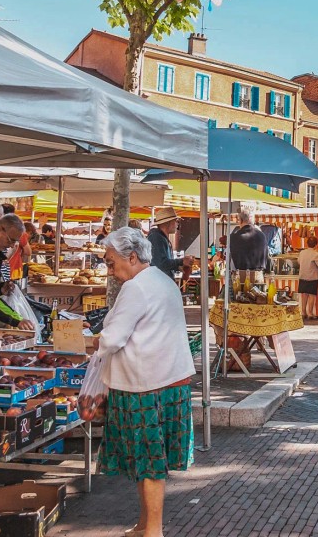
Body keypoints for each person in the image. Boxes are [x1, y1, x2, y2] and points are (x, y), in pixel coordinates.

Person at [98, 227, 194, 537]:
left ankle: (152, 530)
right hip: (170, 380)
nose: (110, 271)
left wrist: (88, 344)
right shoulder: (163, 280)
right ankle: (144, 525)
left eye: (112, 263)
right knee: (149, 460)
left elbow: (111, 339)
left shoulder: (136, 288)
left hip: (145, 385)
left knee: (149, 462)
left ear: (133, 257)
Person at [146, 206, 194, 280]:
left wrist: (178, 267)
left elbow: (162, 263)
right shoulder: (156, 237)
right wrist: (181, 261)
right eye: (176, 221)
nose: (177, 224)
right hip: (158, 284)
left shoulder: (160, 237)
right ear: (169, 222)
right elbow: (160, 264)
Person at [229, 207, 269, 271]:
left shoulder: (234, 237)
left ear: (241, 220)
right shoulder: (262, 235)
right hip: (259, 275)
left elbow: (230, 261)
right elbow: (267, 255)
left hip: (241, 275)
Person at [297, 236, 318, 320]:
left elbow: (298, 262)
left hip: (302, 276)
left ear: (307, 244)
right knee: (312, 295)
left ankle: (303, 312)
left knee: (304, 295)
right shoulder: (316, 254)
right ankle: (310, 313)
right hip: (312, 277)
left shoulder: (302, 253)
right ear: (316, 245)